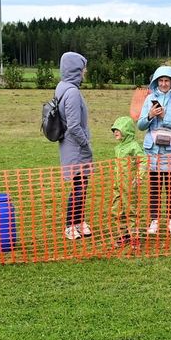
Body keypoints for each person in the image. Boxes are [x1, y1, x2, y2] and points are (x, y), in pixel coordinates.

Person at [136, 65, 171, 235]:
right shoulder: (149, 99)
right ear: (156, 82)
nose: (164, 84)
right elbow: (140, 125)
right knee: (154, 188)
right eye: (161, 80)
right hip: (153, 151)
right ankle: (154, 220)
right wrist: (150, 115)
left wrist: (165, 117)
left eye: (167, 80)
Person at [55, 51, 93, 240]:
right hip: (76, 149)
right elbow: (74, 126)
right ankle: (70, 225)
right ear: (75, 69)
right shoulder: (72, 92)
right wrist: (86, 145)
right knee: (79, 187)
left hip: (73, 147)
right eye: (82, 68)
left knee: (82, 186)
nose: (85, 72)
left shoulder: (63, 87)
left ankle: (79, 221)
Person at [109, 116, 146, 248]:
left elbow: (143, 161)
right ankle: (123, 234)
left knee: (131, 210)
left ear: (127, 130)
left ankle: (134, 236)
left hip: (130, 185)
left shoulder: (133, 146)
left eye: (118, 130)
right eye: (114, 130)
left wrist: (139, 177)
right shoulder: (118, 148)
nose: (115, 132)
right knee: (116, 209)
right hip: (118, 185)